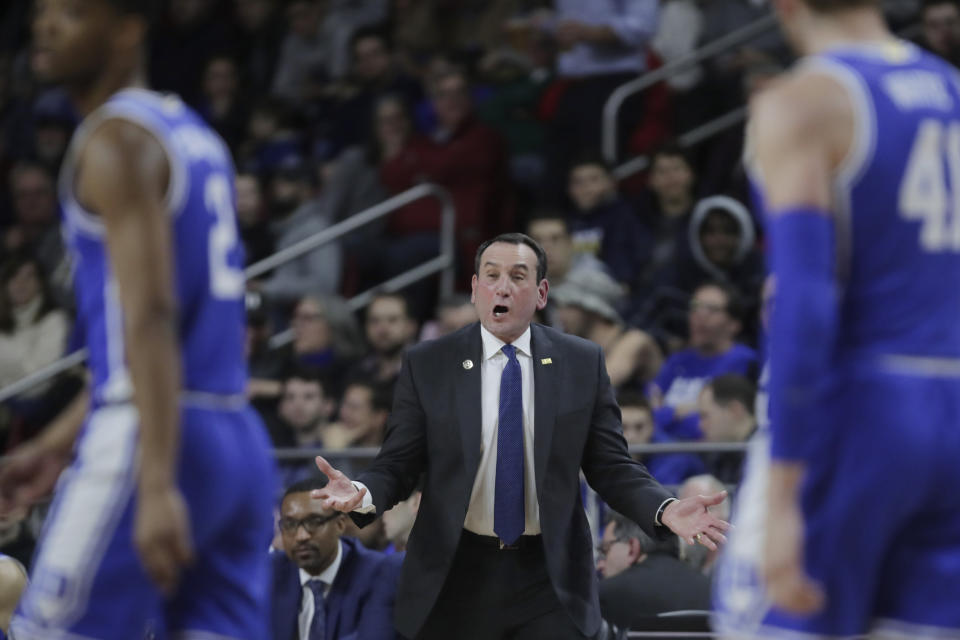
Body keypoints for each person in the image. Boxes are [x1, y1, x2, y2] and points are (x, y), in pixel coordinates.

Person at [5, 1, 276, 637]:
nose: (45, 25)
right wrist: (55, 443)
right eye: (42, 10)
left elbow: (152, 316)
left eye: (72, 12)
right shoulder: (193, 134)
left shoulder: (115, 139)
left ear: (127, 29)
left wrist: (156, 481)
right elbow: (159, 336)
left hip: (154, 436)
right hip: (235, 436)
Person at [311, 233, 729, 640]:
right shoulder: (430, 363)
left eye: (517, 276)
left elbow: (610, 465)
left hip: (547, 574)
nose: (503, 288)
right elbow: (398, 465)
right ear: (475, 290)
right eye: (491, 276)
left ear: (542, 292)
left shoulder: (581, 362)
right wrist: (362, 492)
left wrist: (665, 507)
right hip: (457, 570)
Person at [714, 0, 960, 637]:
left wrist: (788, 489)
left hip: (862, 412)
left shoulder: (804, 100)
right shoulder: (950, 87)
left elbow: (805, 303)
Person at [271, 476, 402, 640]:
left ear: (340, 524)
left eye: (314, 522)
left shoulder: (377, 574)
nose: (301, 536)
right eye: (290, 524)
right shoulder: (270, 572)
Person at [648, 282, 757, 440]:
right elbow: (646, 417)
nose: (700, 315)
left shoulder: (743, 361)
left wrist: (666, 413)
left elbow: (718, 427)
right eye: (695, 306)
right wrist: (681, 411)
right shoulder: (677, 360)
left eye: (712, 309)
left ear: (734, 325)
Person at [597, 511, 711, 629]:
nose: (599, 565)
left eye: (605, 549)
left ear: (632, 548)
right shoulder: (712, 591)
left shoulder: (605, 594)